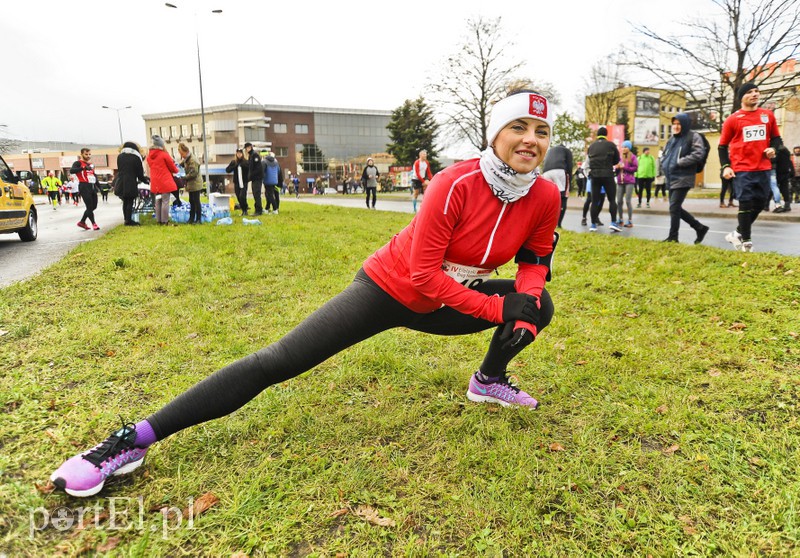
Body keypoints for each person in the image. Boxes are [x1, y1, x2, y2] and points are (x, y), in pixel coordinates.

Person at [49, 90, 562, 498]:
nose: (530, 139)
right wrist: (499, 306)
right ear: (494, 133)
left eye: (541, 131)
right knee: (277, 362)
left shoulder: (544, 194)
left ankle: (488, 380)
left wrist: (523, 305)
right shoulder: (453, 183)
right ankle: (131, 441)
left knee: (540, 306)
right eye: (518, 126)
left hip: (446, 302)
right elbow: (425, 276)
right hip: (388, 290)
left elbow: (536, 260)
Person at [718, 82, 783, 252]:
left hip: (763, 167)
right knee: (745, 203)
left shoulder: (767, 115)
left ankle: (737, 233)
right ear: (742, 97)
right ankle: (746, 242)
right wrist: (726, 166)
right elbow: (722, 146)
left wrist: (773, 148)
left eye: (756, 91)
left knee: (761, 203)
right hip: (742, 168)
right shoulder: (733, 119)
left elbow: (776, 138)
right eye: (749, 92)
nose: (754, 94)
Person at [661, 113, 709, 244]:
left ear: (685, 124)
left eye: (679, 124)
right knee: (674, 208)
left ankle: (673, 237)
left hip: (684, 177)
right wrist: (663, 163)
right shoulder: (672, 140)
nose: (676, 127)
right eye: (674, 124)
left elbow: (699, 153)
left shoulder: (693, 136)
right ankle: (700, 228)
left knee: (674, 207)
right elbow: (665, 155)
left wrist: (681, 162)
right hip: (671, 177)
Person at [587, 127, 621, 232]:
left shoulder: (591, 146)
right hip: (608, 174)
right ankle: (613, 222)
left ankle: (593, 224)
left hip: (594, 175)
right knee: (612, 200)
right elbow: (616, 160)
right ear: (606, 135)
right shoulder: (611, 145)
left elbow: (589, 159)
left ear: (598, 134)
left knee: (594, 201)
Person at [146, 135, 179, 225]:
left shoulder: (149, 157)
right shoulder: (164, 155)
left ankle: (159, 220)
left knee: (158, 201)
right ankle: (165, 221)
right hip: (164, 182)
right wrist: (177, 169)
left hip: (155, 182)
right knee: (165, 201)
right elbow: (173, 168)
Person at [541, 143, 573, 228]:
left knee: (548, 197)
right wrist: (570, 182)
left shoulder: (550, 151)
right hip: (559, 171)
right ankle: (558, 224)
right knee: (563, 197)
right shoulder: (566, 151)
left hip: (546, 172)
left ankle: (544, 222)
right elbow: (570, 166)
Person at [70, 148, 100, 230]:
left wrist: (99, 186)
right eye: (86, 154)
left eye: (89, 154)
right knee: (89, 207)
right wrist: (83, 168)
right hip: (84, 186)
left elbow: (94, 176)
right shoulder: (78, 163)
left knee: (94, 206)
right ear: (82, 154)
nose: (88, 156)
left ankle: (82, 222)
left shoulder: (90, 164)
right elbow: (72, 171)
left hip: (92, 186)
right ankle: (94, 224)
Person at [116, 142, 146, 226]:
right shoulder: (135, 158)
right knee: (130, 201)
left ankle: (126, 219)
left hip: (121, 181)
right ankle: (129, 221)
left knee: (125, 201)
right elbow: (140, 173)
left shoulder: (120, 157)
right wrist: (145, 180)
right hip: (131, 181)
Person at [615, 140, 638, 227]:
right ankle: (620, 219)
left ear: (629, 148)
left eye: (626, 147)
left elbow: (635, 168)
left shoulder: (632, 157)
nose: (624, 148)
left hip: (629, 181)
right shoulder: (620, 157)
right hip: (620, 181)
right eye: (623, 147)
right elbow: (617, 169)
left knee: (628, 201)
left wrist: (625, 167)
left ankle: (630, 221)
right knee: (619, 201)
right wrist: (617, 167)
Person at [179, 143, 204, 224]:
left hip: (196, 183)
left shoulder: (193, 160)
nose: (181, 156)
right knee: (191, 201)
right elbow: (183, 164)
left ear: (186, 152)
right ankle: (191, 218)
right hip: (191, 184)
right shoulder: (187, 158)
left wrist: (184, 177)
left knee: (196, 201)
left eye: (182, 154)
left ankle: (198, 219)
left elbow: (193, 173)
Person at [225, 149, 250, 215]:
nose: (239, 155)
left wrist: (243, 166)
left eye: (240, 153)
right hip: (237, 182)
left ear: (242, 154)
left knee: (242, 196)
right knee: (238, 196)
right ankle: (243, 208)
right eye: (238, 153)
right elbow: (227, 170)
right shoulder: (234, 162)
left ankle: (245, 210)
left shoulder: (245, 162)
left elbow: (249, 169)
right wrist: (234, 166)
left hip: (244, 182)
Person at [772, 145, 793, 213]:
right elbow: (790, 163)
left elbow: (774, 160)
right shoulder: (787, 153)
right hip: (785, 172)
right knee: (784, 188)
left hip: (778, 173)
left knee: (774, 188)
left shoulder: (778, 153)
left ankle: (776, 205)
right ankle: (787, 205)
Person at [244, 143, 264, 215]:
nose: (247, 149)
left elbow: (258, 168)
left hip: (257, 178)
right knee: (255, 194)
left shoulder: (255, 155)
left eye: (248, 148)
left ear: (251, 147)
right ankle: (257, 209)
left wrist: (251, 176)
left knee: (257, 193)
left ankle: (259, 210)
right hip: (254, 178)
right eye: (246, 148)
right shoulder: (251, 156)